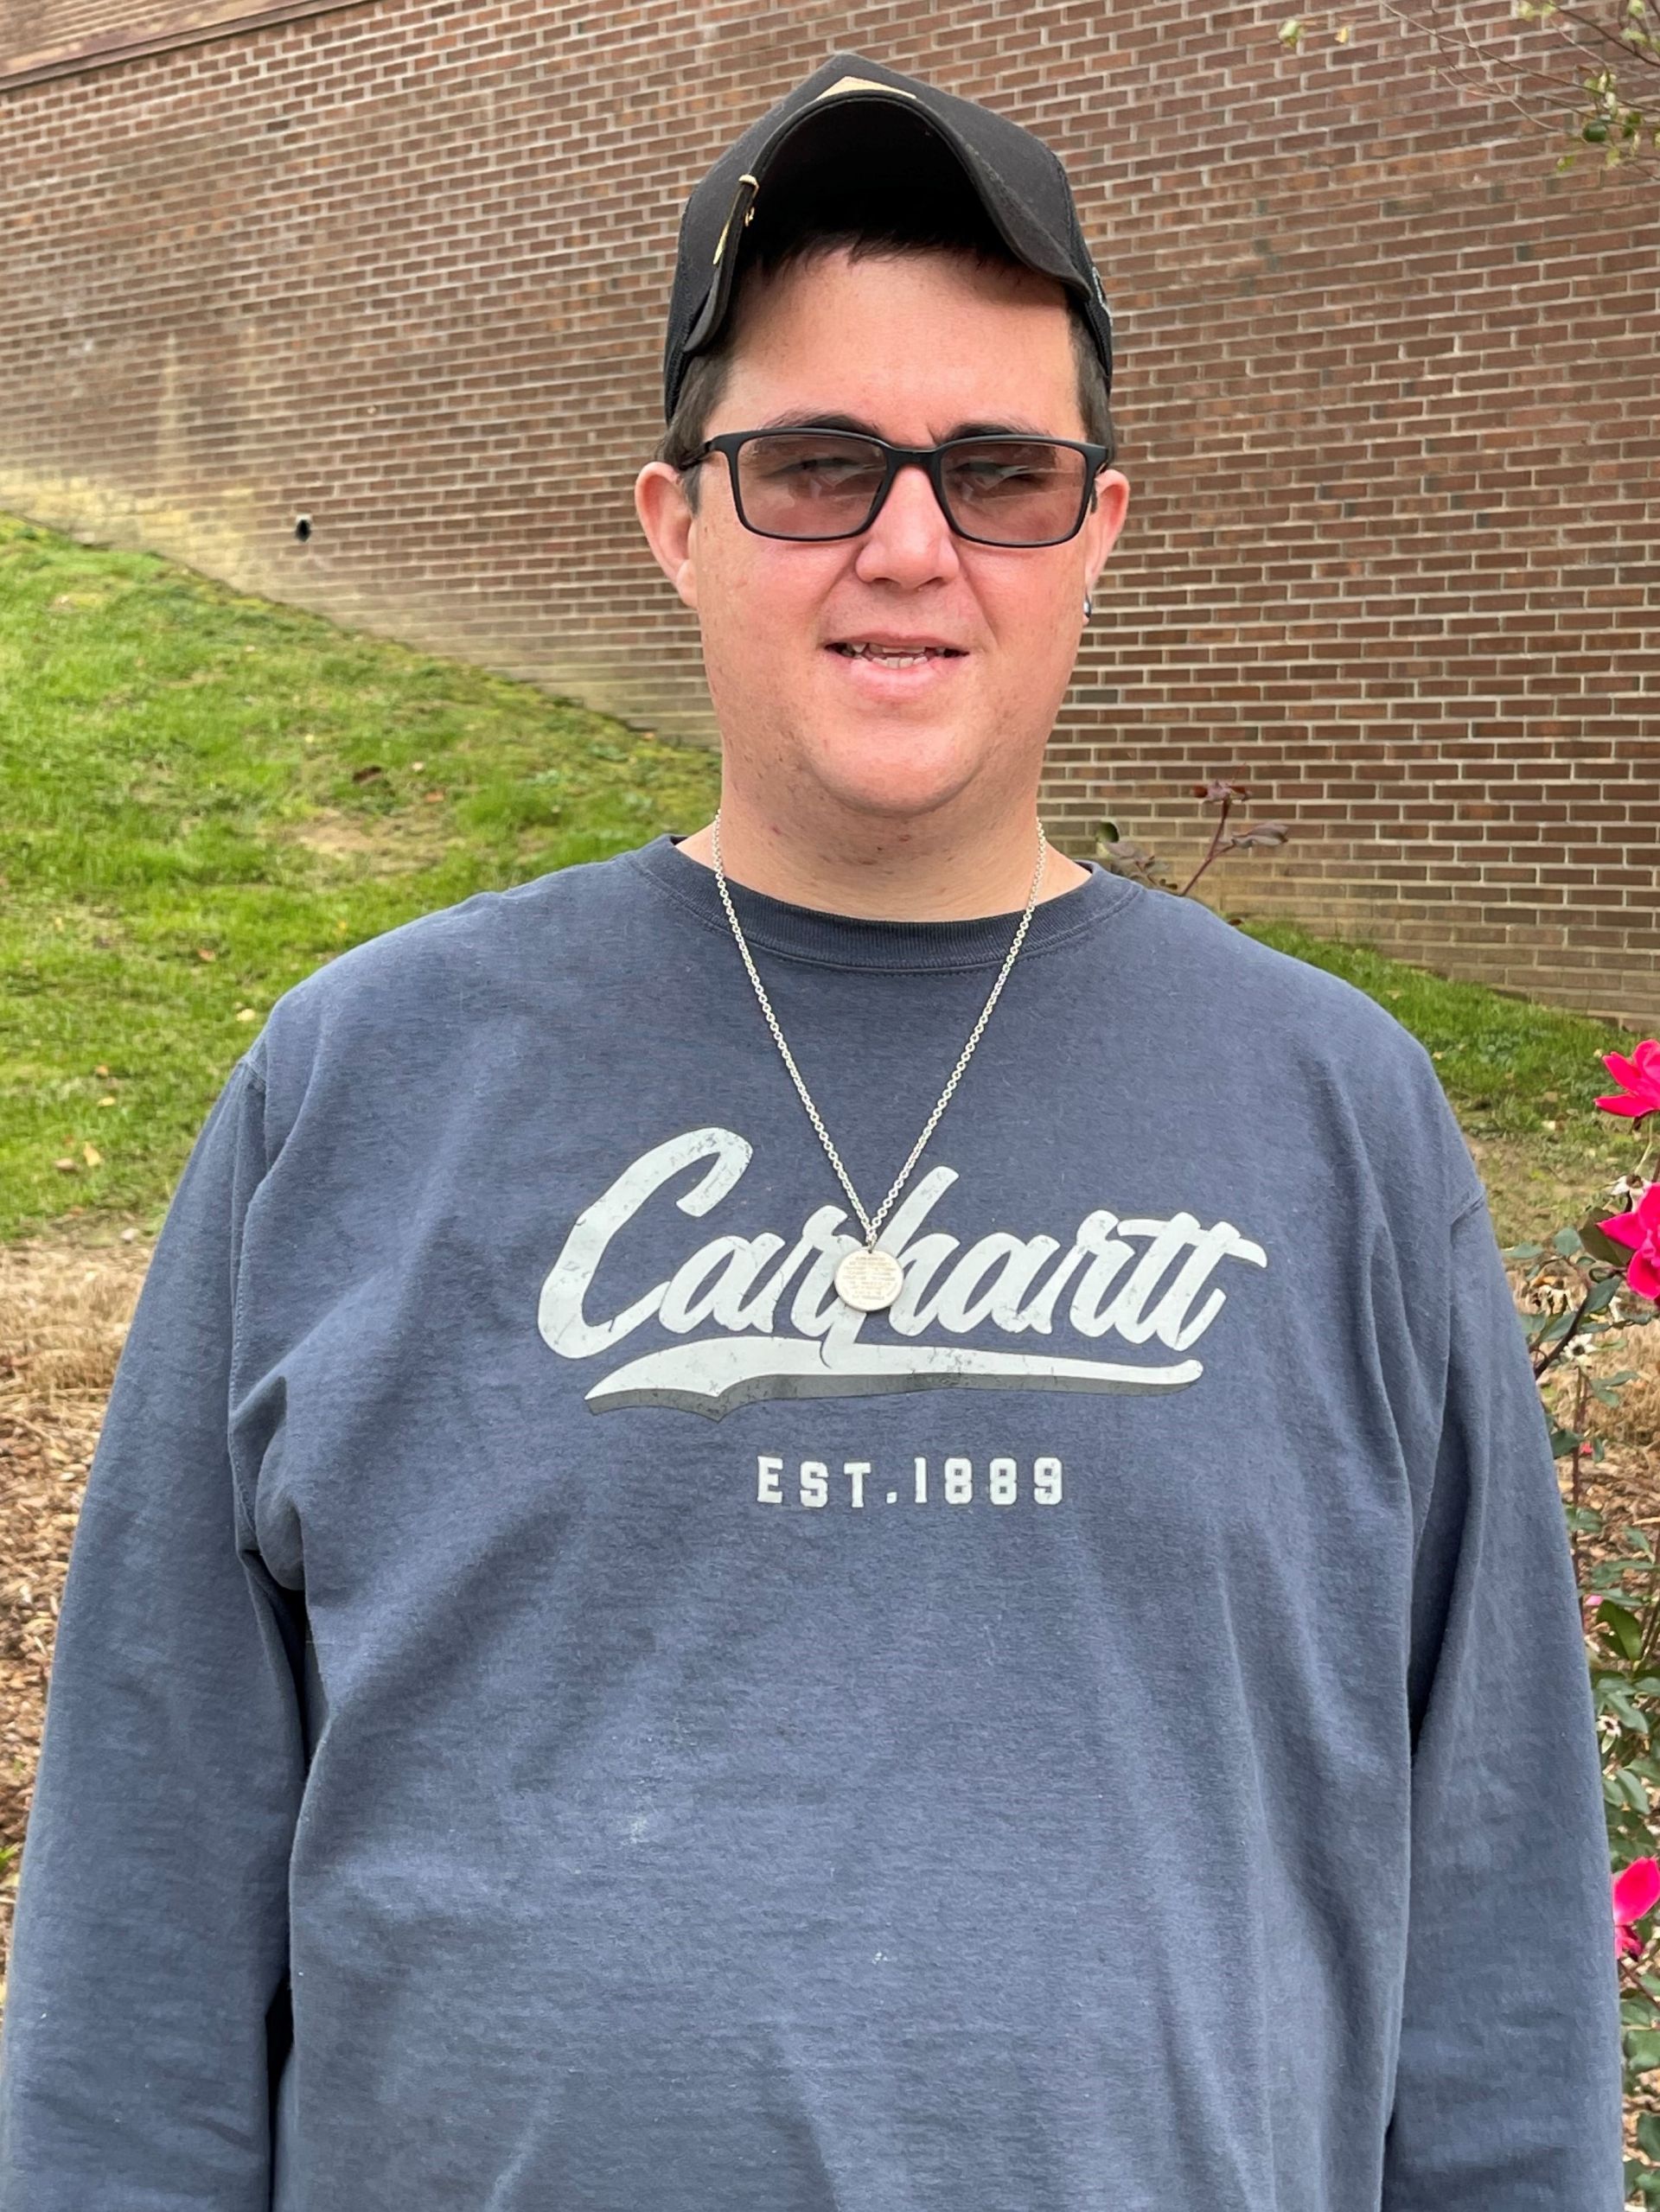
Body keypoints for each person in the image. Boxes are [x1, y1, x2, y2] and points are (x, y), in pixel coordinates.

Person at [0, 50, 1623, 2212]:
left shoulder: (1334, 1112)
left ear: (1097, 532)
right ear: (675, 518)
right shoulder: (363, 1077)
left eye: (1003, 472)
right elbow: (142, 1943)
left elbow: (1498, 1931)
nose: (912, 545)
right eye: (819, 463)